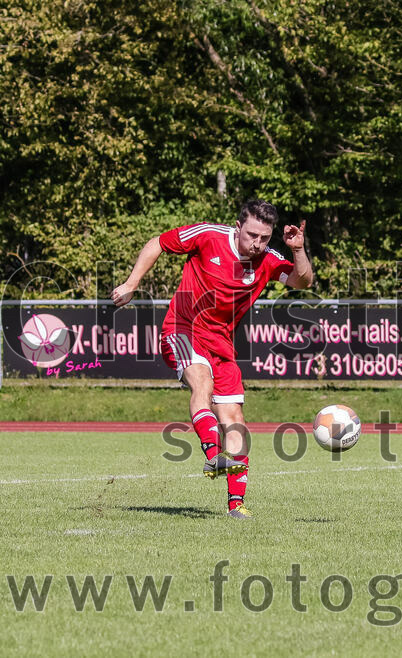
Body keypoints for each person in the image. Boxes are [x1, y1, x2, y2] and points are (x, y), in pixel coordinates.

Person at [111, 200, 313, 519]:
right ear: (237, 227)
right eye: (251, 235)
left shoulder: (270, 260)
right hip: (183, 328)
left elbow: (303, 281)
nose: (257, 243)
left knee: (235, 419)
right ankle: (212, 451)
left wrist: (298, 249)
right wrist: (131, 284)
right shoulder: (208, 236)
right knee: (201, 382)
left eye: (264, 237)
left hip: (221, 343)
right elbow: (157, 243)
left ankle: (236, 506)